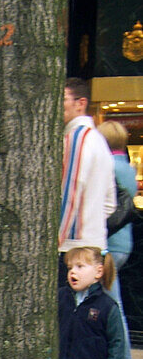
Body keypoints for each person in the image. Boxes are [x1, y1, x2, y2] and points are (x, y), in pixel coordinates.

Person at [97, 120, 138, 359]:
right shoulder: (128, 166)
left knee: (110, 312)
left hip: (107, 244)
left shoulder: (106, 166)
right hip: (123, 244)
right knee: (117, 309)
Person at [59, 78, 115, 269]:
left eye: (63, 99)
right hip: (94, 242)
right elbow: (110, 203)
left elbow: (70, 191)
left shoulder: (76, 138)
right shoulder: (98, 139)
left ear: (80, 103)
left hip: (72, 246)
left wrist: (56, 239)